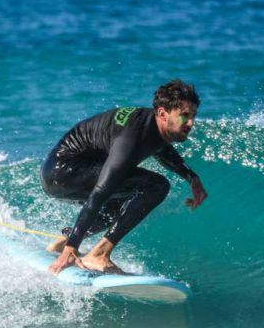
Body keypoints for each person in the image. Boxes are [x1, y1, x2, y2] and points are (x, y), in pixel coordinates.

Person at [41, 79, 208, 275]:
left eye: (193, 116)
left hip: (63, 169)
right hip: (63, 172)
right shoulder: (132, 138)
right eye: (185, 116)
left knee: (123, 203)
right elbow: (100, 192)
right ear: (163, 113)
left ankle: (62, 243)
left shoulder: (152, 125)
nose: (191, 123)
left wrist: (191, 178)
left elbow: (161, 149)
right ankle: (97, 255)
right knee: (157, 186)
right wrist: (73, 249)